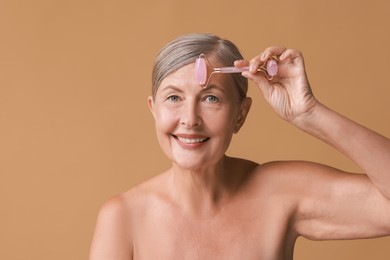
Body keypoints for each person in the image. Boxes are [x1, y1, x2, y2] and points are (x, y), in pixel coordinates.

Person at [89, 33, 390, 260]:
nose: (190, 119)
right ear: (154, 109)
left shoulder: (281, 193)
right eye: (174, 98)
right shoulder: (124, 216)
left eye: (211, 98)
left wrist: (308, 113)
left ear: (240, 114)